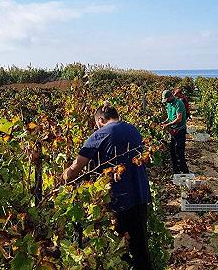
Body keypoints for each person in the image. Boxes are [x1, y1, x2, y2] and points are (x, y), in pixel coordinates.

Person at [62, 103, 153, 270]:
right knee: (140, 250)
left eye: (96, 123)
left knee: (118, 253)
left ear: (100, 119)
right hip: (140, 195)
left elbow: (76, 168)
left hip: (118, 202)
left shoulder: (101, 134)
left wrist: (64, 177)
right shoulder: (133, 130)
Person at [160, 89, 189, 174]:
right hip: (172, 131)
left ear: (171, 96)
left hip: (180, 130)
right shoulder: (169, 104)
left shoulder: (179, 104)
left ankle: (184, 171)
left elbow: (179, 119)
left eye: (167, 99)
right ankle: (176, 171)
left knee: (179, 151)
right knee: (172, 151)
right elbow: (169, 117)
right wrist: (165, 122)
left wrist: (167, 125)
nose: (166, 101)